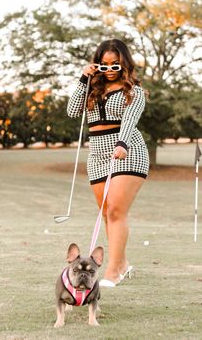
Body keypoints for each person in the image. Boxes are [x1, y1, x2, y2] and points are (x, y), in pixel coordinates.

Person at [67, 39, 149, 287]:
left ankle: (113, 271)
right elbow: (72, 111)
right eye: (104, 65)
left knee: (115, 210)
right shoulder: (92, 88)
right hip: (97, 157)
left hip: (128, 152)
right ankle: (123, 263)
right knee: (106, 213)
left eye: (116, 64)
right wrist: (84, 79)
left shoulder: (133, 91)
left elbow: (130, 121)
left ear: (124, 63)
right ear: (97, 65)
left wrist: (122, 143)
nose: (111, 69)